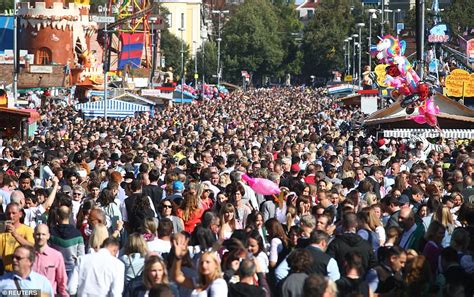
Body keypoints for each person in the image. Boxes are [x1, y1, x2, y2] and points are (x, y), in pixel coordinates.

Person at [171, 232, 228, 296]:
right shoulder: (199, 282)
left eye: (207, 262)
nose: (204, 265)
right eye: (201, 263)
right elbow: (177, 277)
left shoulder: (218, 284)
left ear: (216, 264)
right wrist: (178, 258)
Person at [49, 205, 85, 279]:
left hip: (56, 269)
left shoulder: (51, 233)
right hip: (73, 270)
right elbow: (81, 255)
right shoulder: (77, 234)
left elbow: (49, 251)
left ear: (57, 216)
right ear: (69, 216)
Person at [32, 224, 68, 296]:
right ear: (33, 235)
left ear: (48, 236)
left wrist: (64, 294)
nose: (40, 237)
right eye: (38, 234)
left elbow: (62, 280)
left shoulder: (56, 256)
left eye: (43, 234)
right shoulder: (27, 254)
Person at [0, 203, 34, 272]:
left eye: (14, 213)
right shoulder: (2, 230)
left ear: (20, 214)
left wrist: (15, 235)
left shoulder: (27, 230)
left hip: (21, 271)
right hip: (3, 271)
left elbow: (32, 247)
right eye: (8, 213)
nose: (11, 216)